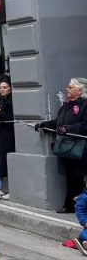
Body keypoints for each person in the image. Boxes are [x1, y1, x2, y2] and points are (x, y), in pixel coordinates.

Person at [35, 77, 87, 212]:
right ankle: (71, 205)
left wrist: (68, 129)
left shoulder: (85, 105)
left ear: (80, 91)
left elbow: (84, 124)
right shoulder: (66, 104)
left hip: (80, 147)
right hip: (67, 147)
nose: (67, 89)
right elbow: (58, 121)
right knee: (70, 177)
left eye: (70, 87)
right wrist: (44, 124)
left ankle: (77, 206)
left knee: (78, 177)